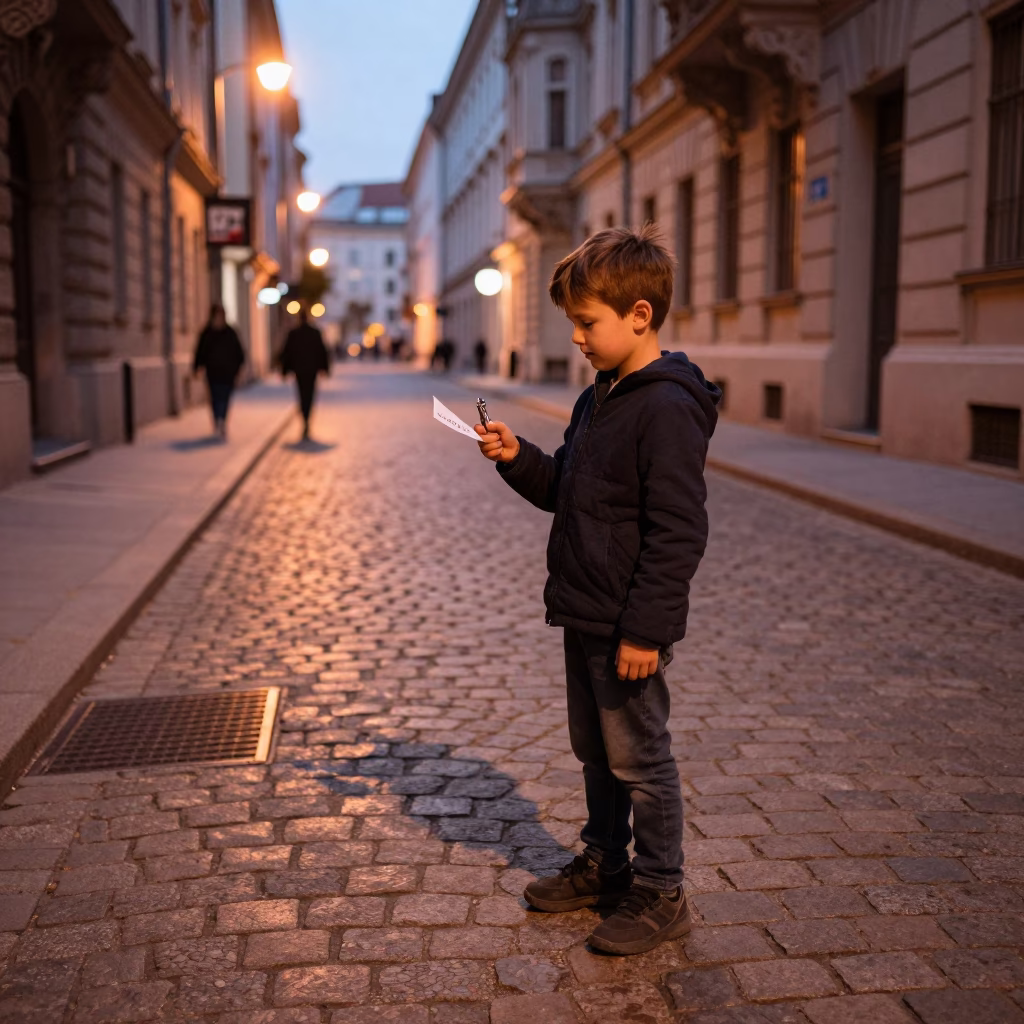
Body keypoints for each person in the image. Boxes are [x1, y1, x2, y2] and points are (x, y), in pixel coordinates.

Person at [475, 225, 720, 955]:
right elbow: (567, 490)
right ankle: (606, 863)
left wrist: (647, 630)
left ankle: (661, 888)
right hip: (584, 609)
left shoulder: (666, 407)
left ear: (639, 315)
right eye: (573, 323)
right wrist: (517, 458)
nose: (577, 338)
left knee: (641, 758)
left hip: (626, 624)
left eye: (587, 322)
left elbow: (679, 530)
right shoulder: (598, 397)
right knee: (596, 750)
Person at [278, 306, 331, 440]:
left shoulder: (294, 333)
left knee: (302, 395)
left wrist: (284, 370)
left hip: (300, 370)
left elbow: (286, 353)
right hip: (311, 370)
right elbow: (322, 351)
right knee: (309, 395)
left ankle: (305, 418)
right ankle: (306, 418)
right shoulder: (314, 332)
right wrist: (325, 369)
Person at [193, 303, 245, 439]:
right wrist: (197, 367)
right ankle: (217, 421)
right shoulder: (207, 333)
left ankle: (222, 420)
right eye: (217, 316)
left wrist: (238, 369)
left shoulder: (230, 333)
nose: (219, 319)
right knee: (215, 398)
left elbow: (239, 352)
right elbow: (200, 351)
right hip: (213, 373)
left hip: (228, 374)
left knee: (225, 398)